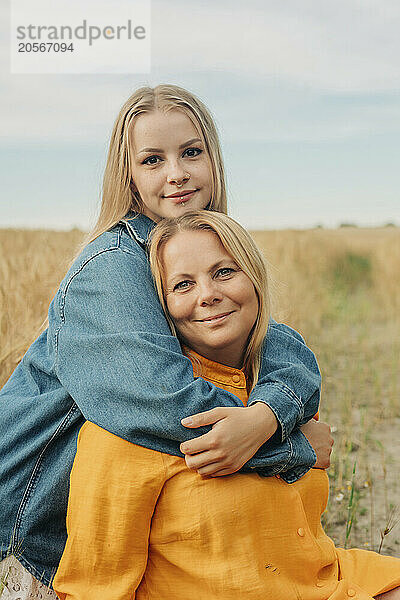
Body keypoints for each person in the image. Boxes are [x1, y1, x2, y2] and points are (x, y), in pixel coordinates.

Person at [0, 85, 325, 598]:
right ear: (128, 176)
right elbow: (165, 408)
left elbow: (273, 339)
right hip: (40, 522)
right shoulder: (111, 269)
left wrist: (270, 413)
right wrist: (292, 444)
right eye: (153, 160)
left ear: (214, 160)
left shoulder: (195, 244)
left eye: (191, 152)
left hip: (134, 512)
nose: (177, 173)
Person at [53, 210, 400, 600]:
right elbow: (94, 588)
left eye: (224, 272)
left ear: (254, 277)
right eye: (183, 285)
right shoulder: (131, 429)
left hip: (322, 579)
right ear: (160, 307)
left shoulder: (277, 388)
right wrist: (295, 449)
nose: (207, 294)